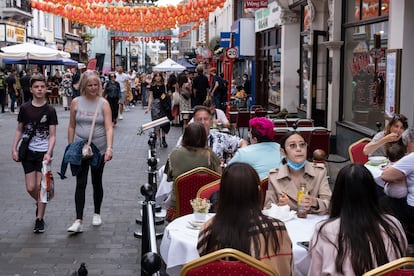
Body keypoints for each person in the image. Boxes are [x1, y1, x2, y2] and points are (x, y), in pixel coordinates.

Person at [308, 164, 407, 276]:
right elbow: (400, 262)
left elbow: (315, 273)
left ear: (338, 194)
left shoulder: (325, 231)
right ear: (372, 191)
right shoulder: (393, 224)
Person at [197, 163, 293, 275]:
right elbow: (285, 270)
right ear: (258, 191)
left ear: (222, 194)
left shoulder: (208, 229)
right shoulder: (277, 230)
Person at [66, 70, 114, 233]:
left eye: (96, 85)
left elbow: (108, 127)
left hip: (98, 149)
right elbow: (72, 126)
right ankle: (78, 219)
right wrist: (70, 146)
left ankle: (96, 213)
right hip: (80, 148)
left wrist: (109, 148)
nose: (93, 88)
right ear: (83, 86)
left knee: (96, 180)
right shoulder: (76, 102)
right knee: (80, 183)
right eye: (90, 85)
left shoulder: (103, 103)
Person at [11, 74, 58, 233]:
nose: (39, 89)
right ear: (31, 90)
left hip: (43, 153)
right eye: (36, 87)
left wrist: (49, 152)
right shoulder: (24, 108)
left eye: (42, 87)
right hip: (28, 152)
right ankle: (40, 203)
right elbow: (19, 129)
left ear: (46, 89)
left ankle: (40, 219)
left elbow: (52, 135)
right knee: (31, 187)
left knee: (41, 186)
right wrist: (14, 148)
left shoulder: (50, 110)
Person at [264, 131, 331, 214]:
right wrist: (279, 207)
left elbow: (331, 206)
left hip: (313, 224)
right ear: (283, 152)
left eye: (302, 145)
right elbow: (267, 210)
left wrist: (315, 202)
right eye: (292, 146)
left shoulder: (319, 172)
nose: (299, 149)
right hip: (286, 225)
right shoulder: (274, 176)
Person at [166, 122, 221, 218]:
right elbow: (219, 179)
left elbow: (169, 177)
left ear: (185, 136)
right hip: (206, 206)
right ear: (204, 137)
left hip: (179, 207)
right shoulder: (210, 155)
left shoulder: (174, 154)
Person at [381, 127, 414, 228]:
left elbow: (385, 176)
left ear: (412, 141)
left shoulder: (412, 157)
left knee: (379, 202)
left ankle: (391, 235)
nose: (407, 149)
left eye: (407, 145)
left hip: (411, 208)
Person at [145, 72, 170, 148]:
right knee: (156, 123)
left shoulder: (164, 85)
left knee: (163, 123)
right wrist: (148, 107)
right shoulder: (152, 86)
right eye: (156, 76)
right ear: (154, 77)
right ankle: (159, 140)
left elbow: (168, 94)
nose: (158, 78)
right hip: (155, 106)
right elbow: (150, 97)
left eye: (159, 76)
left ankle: (163, 139)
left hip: (163, 106)